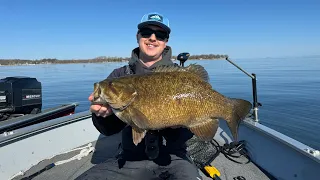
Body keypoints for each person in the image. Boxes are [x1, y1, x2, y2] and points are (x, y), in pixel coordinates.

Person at [76, 12, 203, 180]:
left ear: (166, 41)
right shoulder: (119, 75)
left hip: (174, 158)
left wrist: (178, 125)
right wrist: (102, 116)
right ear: (137, 36)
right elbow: (107, 130)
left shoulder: (180, 75)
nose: (152, 38)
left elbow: (190, 134)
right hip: (130, 159)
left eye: (160, 35)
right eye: (146, 33)